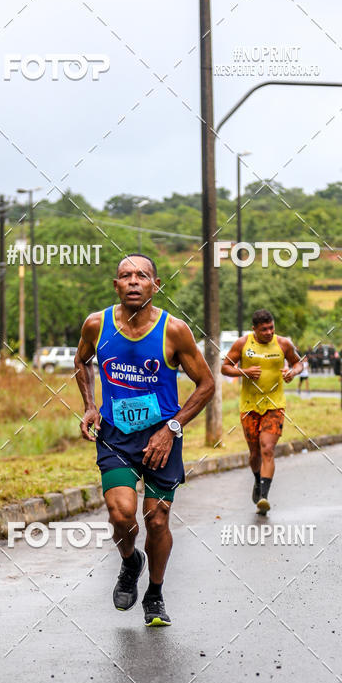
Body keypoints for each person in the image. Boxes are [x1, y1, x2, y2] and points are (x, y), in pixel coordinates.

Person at [74, 253, 215, 627]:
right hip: (116, 436)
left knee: (157, 520)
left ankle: (154, 592)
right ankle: (129, 561)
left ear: (155, 285)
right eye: (125, 275)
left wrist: (172, 428)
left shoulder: (175, 331)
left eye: (142, 276)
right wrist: (90, 405)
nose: (133, 281)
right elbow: (82, 361)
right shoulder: (96, 324)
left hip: (162, 438)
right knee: (121, 515)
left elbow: (207, 384)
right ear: (116, 285)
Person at [221, 309, 302, 515]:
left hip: (274, 405)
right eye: (264, 329)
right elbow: (225, 368)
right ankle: (258, 481)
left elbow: (298, 362)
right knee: (255, 452)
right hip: (249, 406)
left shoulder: (282, 343)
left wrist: (292, 372)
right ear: (254, 329)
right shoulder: (242, 344)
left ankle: (264, 497)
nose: (268, 332)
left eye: (271, 328)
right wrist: (244, 372)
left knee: (267, 448)